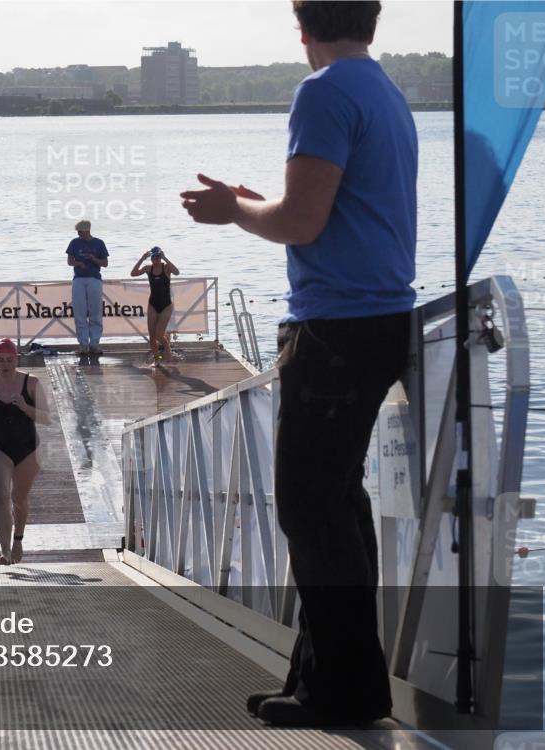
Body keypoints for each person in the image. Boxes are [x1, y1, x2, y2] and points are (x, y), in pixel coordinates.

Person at [181, 0, 416, 728]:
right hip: (377, 318)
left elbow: (302, 223)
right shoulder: (384, 90)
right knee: (337, 507)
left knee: (310, 508)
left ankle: (345, 691)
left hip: (337, 327)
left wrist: (233, 212)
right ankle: (324, 679)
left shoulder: (323, 91)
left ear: (303, 29)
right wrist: (262, 203)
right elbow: (329, 210)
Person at [0, 339, 51, 565]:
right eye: (0, 360)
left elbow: (46, 418)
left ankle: (18, 540)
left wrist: (25, 407)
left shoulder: (31, 383)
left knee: (19, 500)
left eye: (9, 360)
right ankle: (5, 551)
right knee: (1, 496)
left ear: (17, 359)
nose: (5, 365)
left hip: (28, 449)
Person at [131, 246, 180, 365]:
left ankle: (167, 348)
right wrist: (142, 259)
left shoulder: (166, 268)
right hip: (153, 304)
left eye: (158, 257)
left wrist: (165, 258)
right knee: (152, 336)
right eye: (153, 257)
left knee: (159, 334)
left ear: (160, 257)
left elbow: (177, 272)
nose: (156, 259)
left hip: (166, 305)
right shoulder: (148, 269)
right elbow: (133, 273)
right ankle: (157, 359)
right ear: (151, 258)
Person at [66, 220, 108, 356]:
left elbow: (105, 263)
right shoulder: (74, 242)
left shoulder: (99, 243)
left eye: (80, 231)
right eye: (78, 231)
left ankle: (94, 344)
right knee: (80, 313)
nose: (78, 234)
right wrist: (78, 263)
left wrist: (94, 259)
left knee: (95, 312)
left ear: (87, 230)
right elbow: (69, 261)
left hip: (94, 278)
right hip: (78, 278)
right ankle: (83, 345)